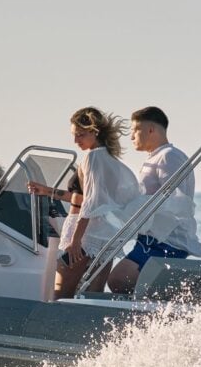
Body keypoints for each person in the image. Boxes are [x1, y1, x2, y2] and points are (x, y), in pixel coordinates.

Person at [28, 107, 139, 299]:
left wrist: (76, 240)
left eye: (80, 135)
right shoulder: (110, 159)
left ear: (95, 131)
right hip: (104, 236)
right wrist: (47, 191)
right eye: (74, 135)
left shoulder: (93, 157)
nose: (75, 141)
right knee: (92, 295)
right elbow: (83, 198)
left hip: (85, 234)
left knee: (61, 295)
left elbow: (90, 202)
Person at [107, 107, 201, 294]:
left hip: (165, 241)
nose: (132, 136)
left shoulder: (169, 156)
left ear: (150, 129)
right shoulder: (156, 157)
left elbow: (178, 202)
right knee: (120, 281)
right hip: (150, 239)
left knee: (119, 279)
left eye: (135, 130)